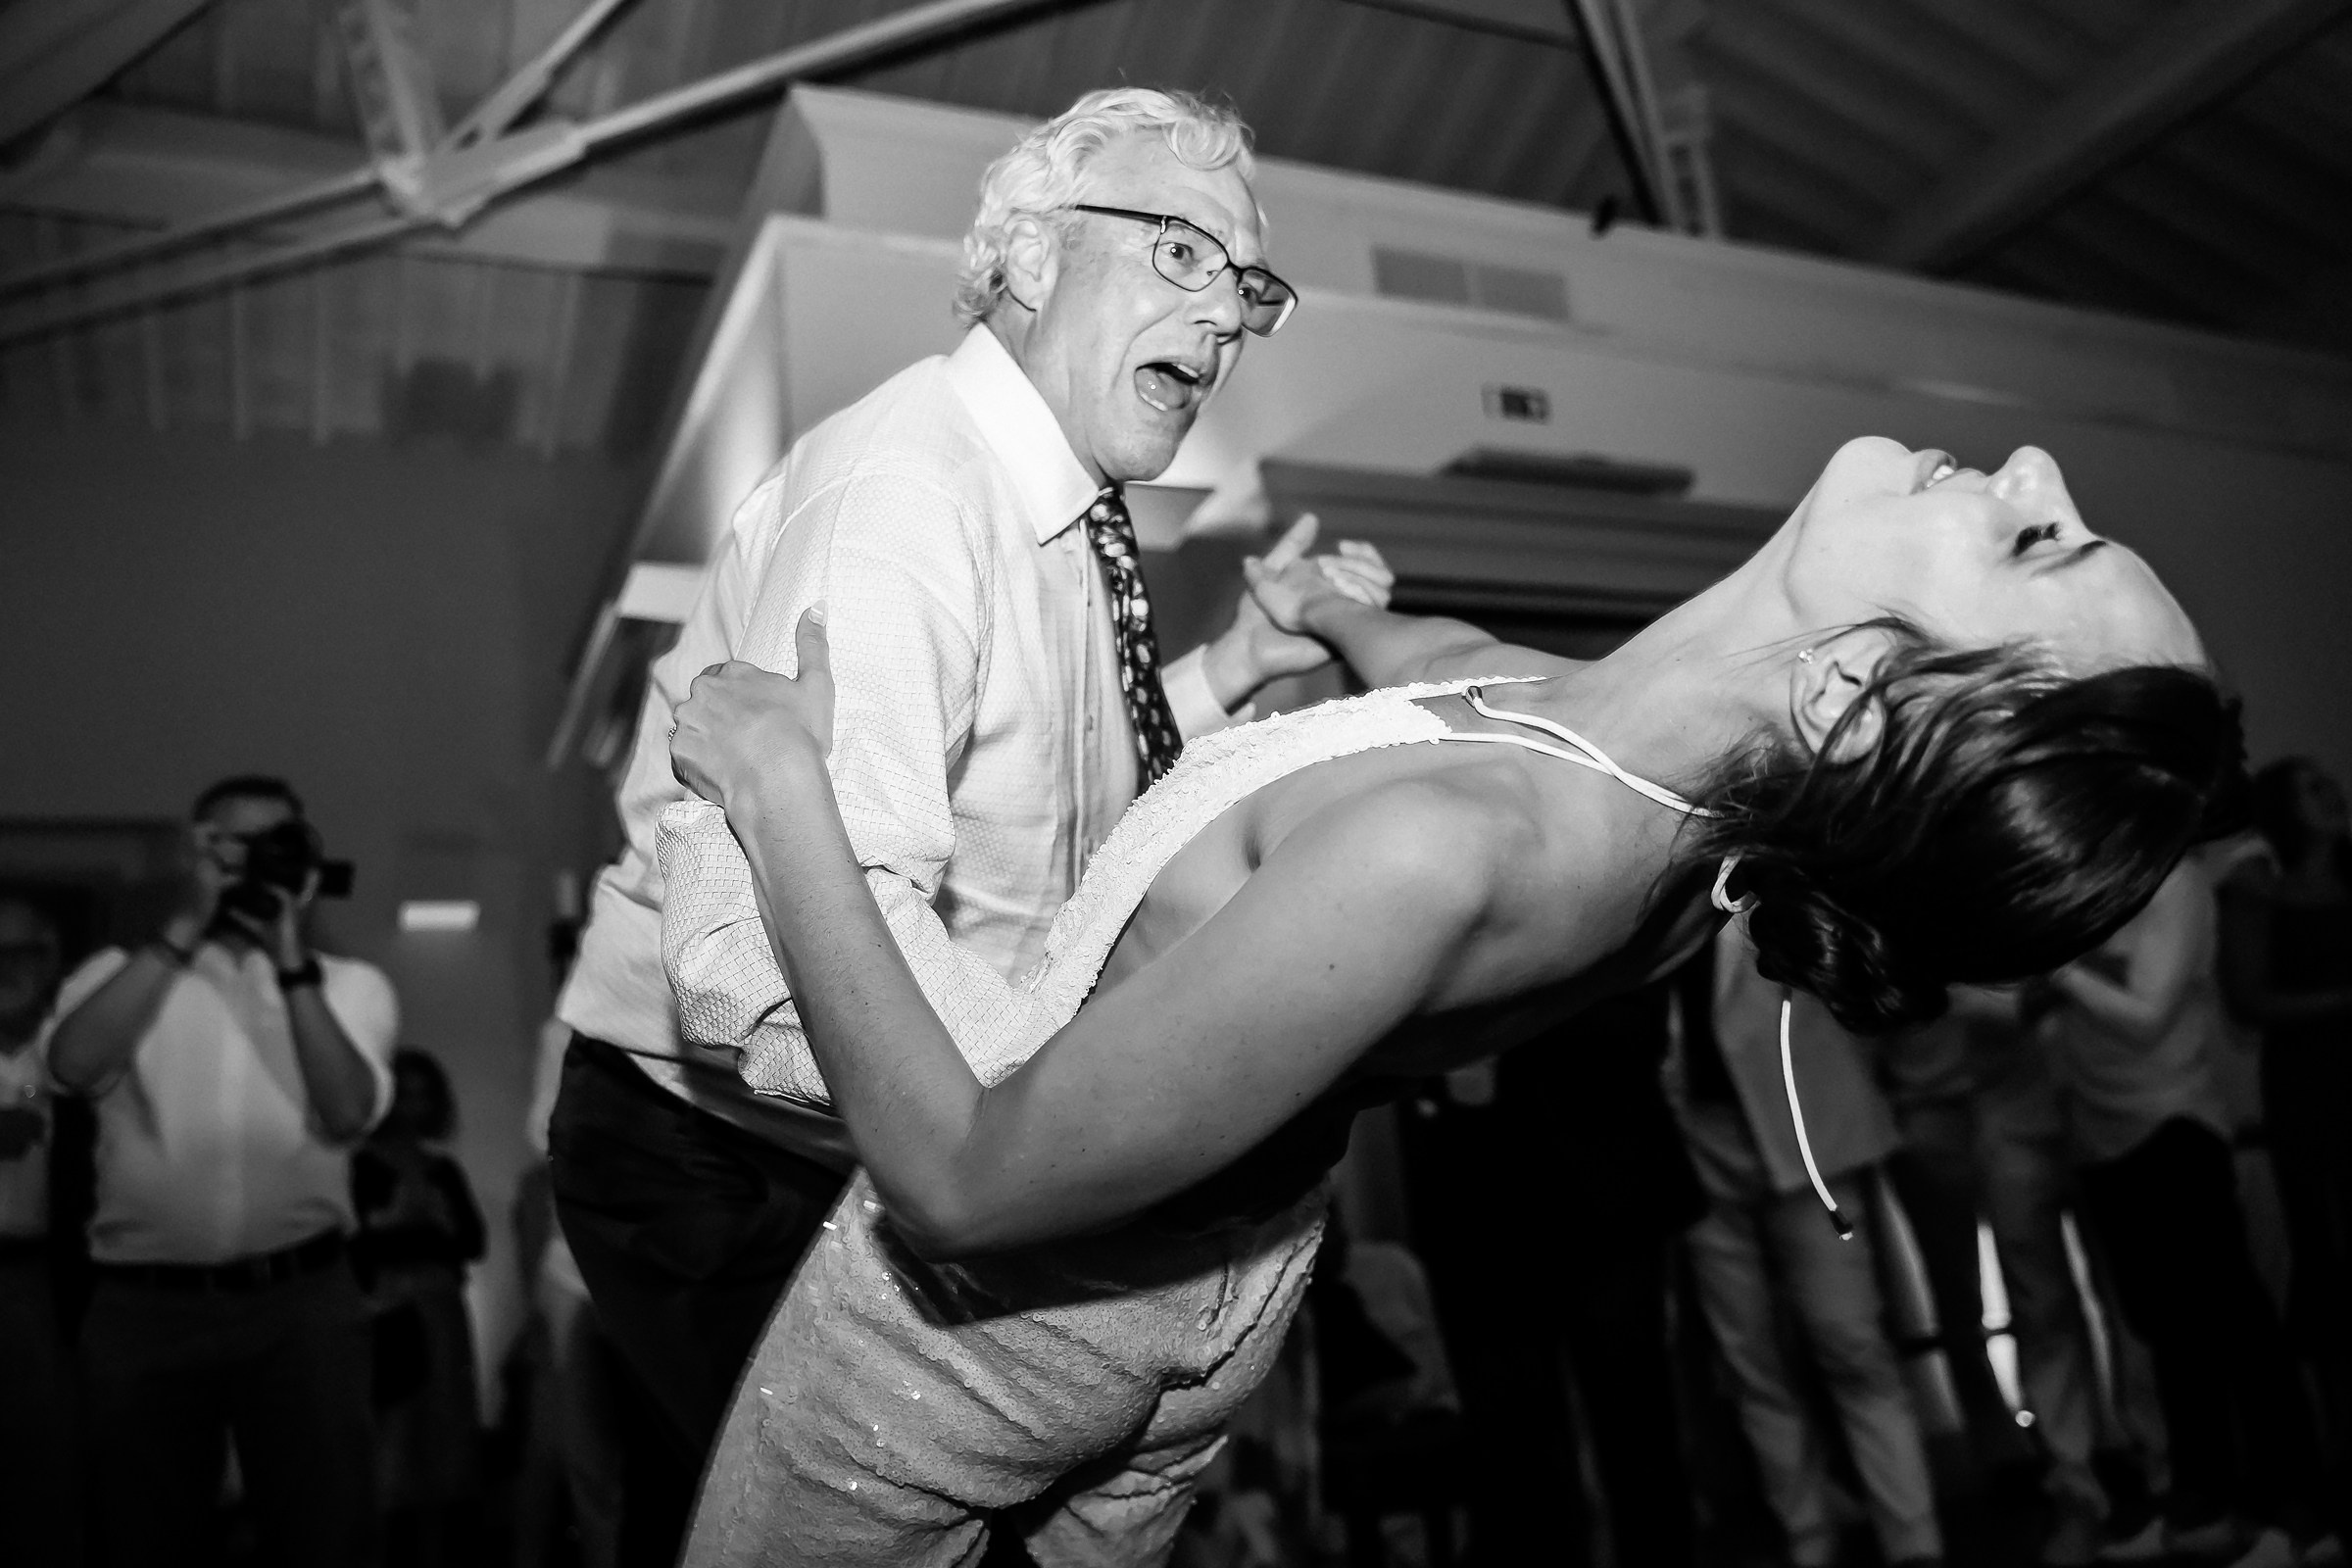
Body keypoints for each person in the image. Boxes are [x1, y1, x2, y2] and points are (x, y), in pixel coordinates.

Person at [666, 436, 2239, 1565]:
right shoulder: (1630, 764)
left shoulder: (1461, 848)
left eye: (2041, 543)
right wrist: (1330, 610)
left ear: (1844, 695)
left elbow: (962, 1181)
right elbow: (1446, 663)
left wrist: (781, 783)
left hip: (1004, 1329)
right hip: (1193, 1278)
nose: (2035, 461)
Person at [543, 85, 1388, 1565]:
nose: (1230, 320)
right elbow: (788, 964)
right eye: (1183, 254)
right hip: (721, 1161)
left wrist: (1229, 670)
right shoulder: (906, 497)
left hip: (881, 1146)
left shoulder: (1058, 504)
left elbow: (1043, 790)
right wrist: (1087, 1140)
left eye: (1247, 286)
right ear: (1036, 256)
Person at [48, 775, 397, 1568]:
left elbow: (347, 1114)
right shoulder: (116, 974)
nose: (255, 859)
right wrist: (182, 928)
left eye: (277, 840)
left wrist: (290, 958)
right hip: (144, 1308)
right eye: (233, 841)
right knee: (140, 1535)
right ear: (194, 849)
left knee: (327, 1532)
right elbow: (71, 1066)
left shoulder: (350, 985)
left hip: (304, 1306)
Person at [2048, 856, 2338, 1566]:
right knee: (2167, 1327)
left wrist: (2055, 972)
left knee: (2237, 1318)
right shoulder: (2073, 880)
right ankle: (2206, 1502)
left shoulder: (2172, 880)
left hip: (2176, 1125)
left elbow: (2147, 1014)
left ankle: (2300, 1518)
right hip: (2099, 1131)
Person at [1397, 980, 1701, 1567]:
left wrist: (1499, 1035)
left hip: (1604, 1191)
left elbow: (1636, 1027)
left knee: (1636, 1429)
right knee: (1518, 1449)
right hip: (1478, 1205)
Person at [1673, 924, 1942, 1568]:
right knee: (1750, 1362)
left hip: (1811, 1134)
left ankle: (1915, 1542)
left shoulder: (1772, 869)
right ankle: (1808, 1537)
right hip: (1695, 1143)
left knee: (1851, 1342)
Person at [2223, 758, 2352, 1528]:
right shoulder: (2255, 885)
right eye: (2313, 787)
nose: (2333, 793)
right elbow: (2247, 1000)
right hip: (2314, 1097)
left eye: (2332, 782)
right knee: (2334, 1264)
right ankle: (2339, 1456)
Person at [353, 1047, 486, 1567]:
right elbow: (351, 1251)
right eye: (404, 1094)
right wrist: (393, 1225)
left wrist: (436, 1225)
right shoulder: (359, 1166)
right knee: (394, 1443)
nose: (413, 1106)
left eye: (422, 1095)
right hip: (388, 1315)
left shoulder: (441, 1169)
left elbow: (473, 1243)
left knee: (448, 1442)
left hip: (441, 1313)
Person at [0, 894, 75, 1568]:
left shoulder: (81, 1048)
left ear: (52, 962)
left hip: (43, 1279)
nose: (7, 968)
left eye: (24, 952)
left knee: (42, 1461)